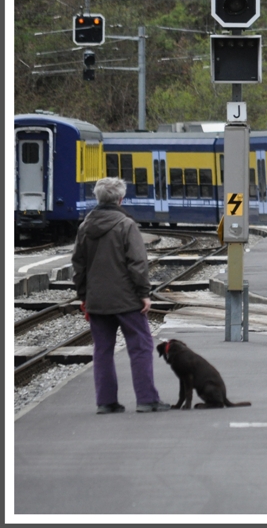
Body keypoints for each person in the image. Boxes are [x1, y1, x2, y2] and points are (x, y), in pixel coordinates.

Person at [71, 177, 170, 414]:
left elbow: (78, 265)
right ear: (120, 199)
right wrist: (144, 294)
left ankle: (106, 402)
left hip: (97, 300)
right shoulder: (126, 225)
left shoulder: (85, 227)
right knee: (141, 346)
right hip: (126, 300)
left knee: (102, 350)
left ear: (98, 198)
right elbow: (137, 263)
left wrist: (84, 295)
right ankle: (147, 399)